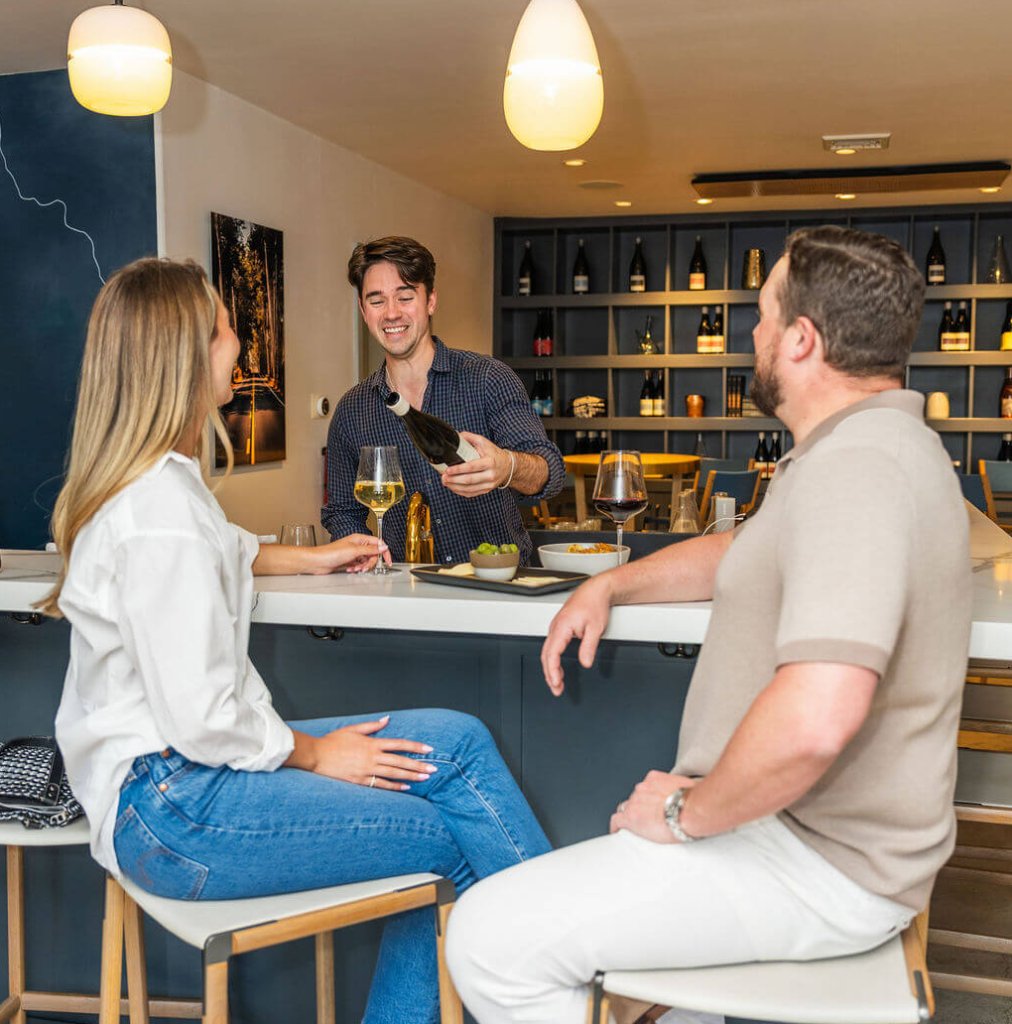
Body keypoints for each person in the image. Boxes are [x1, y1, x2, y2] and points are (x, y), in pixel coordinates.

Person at [446, 225, 972, 1023]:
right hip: (796, 836)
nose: (748, 333)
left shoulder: (857, 470)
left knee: (490, 935)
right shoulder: (870, 447)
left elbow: (816, 720)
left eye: (763, 316)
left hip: (819, 863)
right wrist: (613, 585)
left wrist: (683, 814)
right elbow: (742, 549)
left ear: (801, 340)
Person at [41, 258, 550, 1024]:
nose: (238, 344)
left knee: (460, 741)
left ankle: (577, 969)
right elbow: (202, 717)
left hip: (180, 783)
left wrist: (313, 555)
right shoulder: (159, 514)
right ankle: (581, 988)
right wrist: (317, 752)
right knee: (445, 838)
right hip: (177, 805)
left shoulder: (165, 488)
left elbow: (229, 547)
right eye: (221, 331)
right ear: (181, 357)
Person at [322, 236, 565, 565]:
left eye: (405, 297)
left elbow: (549, 473)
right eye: (376, 301)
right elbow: (341, 511)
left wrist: (507, 467)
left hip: (497, 592)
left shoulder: (488, 379)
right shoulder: (352, 411)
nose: (391, 313)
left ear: (430, 301)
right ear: (364, 311)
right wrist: (364, 553)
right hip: (405, 597)